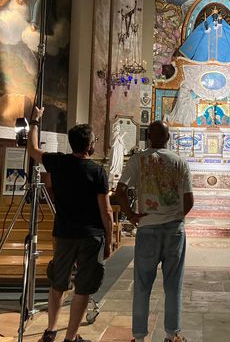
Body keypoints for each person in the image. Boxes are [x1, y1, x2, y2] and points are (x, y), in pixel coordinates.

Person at [27, 107, 114, 342]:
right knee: (83, 287)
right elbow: (106, 210)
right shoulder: (97, 171)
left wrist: (35, 120)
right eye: (94, 140)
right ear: (89, 146)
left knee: (58, 282)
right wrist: (111, 238)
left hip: (63, 233)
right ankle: (71, 337)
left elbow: (32, 149)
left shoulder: (58, 162)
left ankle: (50, 330)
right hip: (91, 235)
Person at [115, 120, 194, 342]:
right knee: (173, 285)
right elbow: (189, 200)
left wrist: (131, 215)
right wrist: (175, 217)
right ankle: (172, 335)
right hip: (174, 230)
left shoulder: (138, 159)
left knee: (142, 285)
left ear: (148, 136)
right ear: (168, 138)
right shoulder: (179, 162)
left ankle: (139, 337)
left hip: (147, 228)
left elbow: (120, 191)